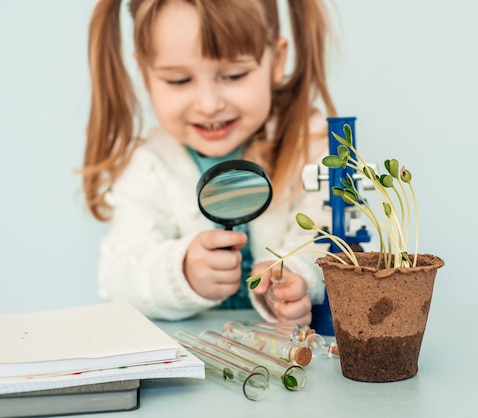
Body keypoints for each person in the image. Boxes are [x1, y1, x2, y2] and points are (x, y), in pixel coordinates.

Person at [82, 0, 337, 323]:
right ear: (145, 74)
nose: (208, 104)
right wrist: (181, 272)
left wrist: (295, 279)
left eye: (234, 75)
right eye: (178, 80)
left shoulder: (311, 147)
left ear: (277, 61)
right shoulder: (149, 165)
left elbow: (326, 243)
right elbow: (117, 277)